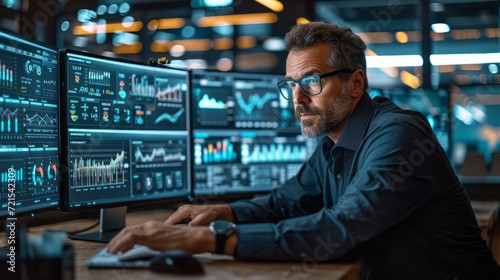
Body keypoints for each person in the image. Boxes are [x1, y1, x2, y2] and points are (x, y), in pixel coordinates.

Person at [107, 21, 500, 279]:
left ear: (355, 83)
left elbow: (342, 228)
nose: (296, 99)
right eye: (289, 85)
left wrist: (210, 239)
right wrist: (224, 212)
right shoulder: (334, 142)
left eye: (311, 82)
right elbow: (287, 202)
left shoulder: (399, 135)